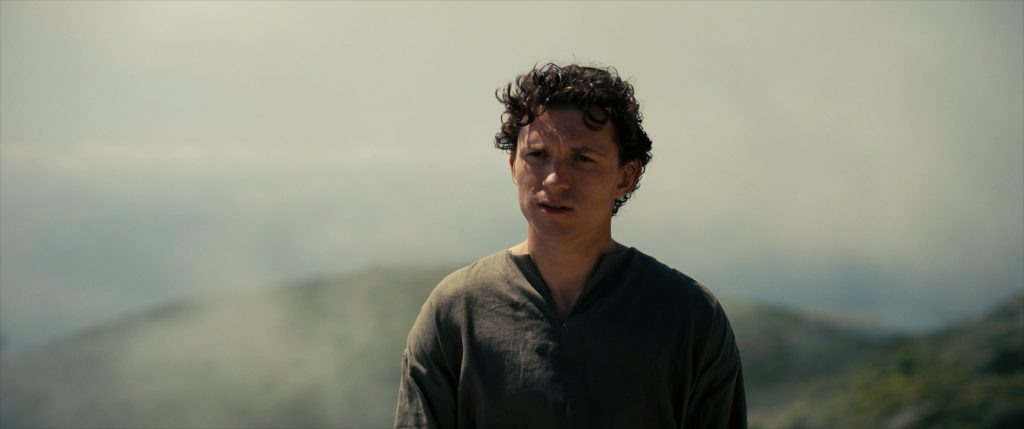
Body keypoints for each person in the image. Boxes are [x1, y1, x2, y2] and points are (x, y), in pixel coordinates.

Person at [395, 63, 746, 429]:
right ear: (513, 164)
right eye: (537, 155)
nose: (555, 179)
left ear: (626, 175)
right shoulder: (457, 311)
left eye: (582, 159)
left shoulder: (687, 316)